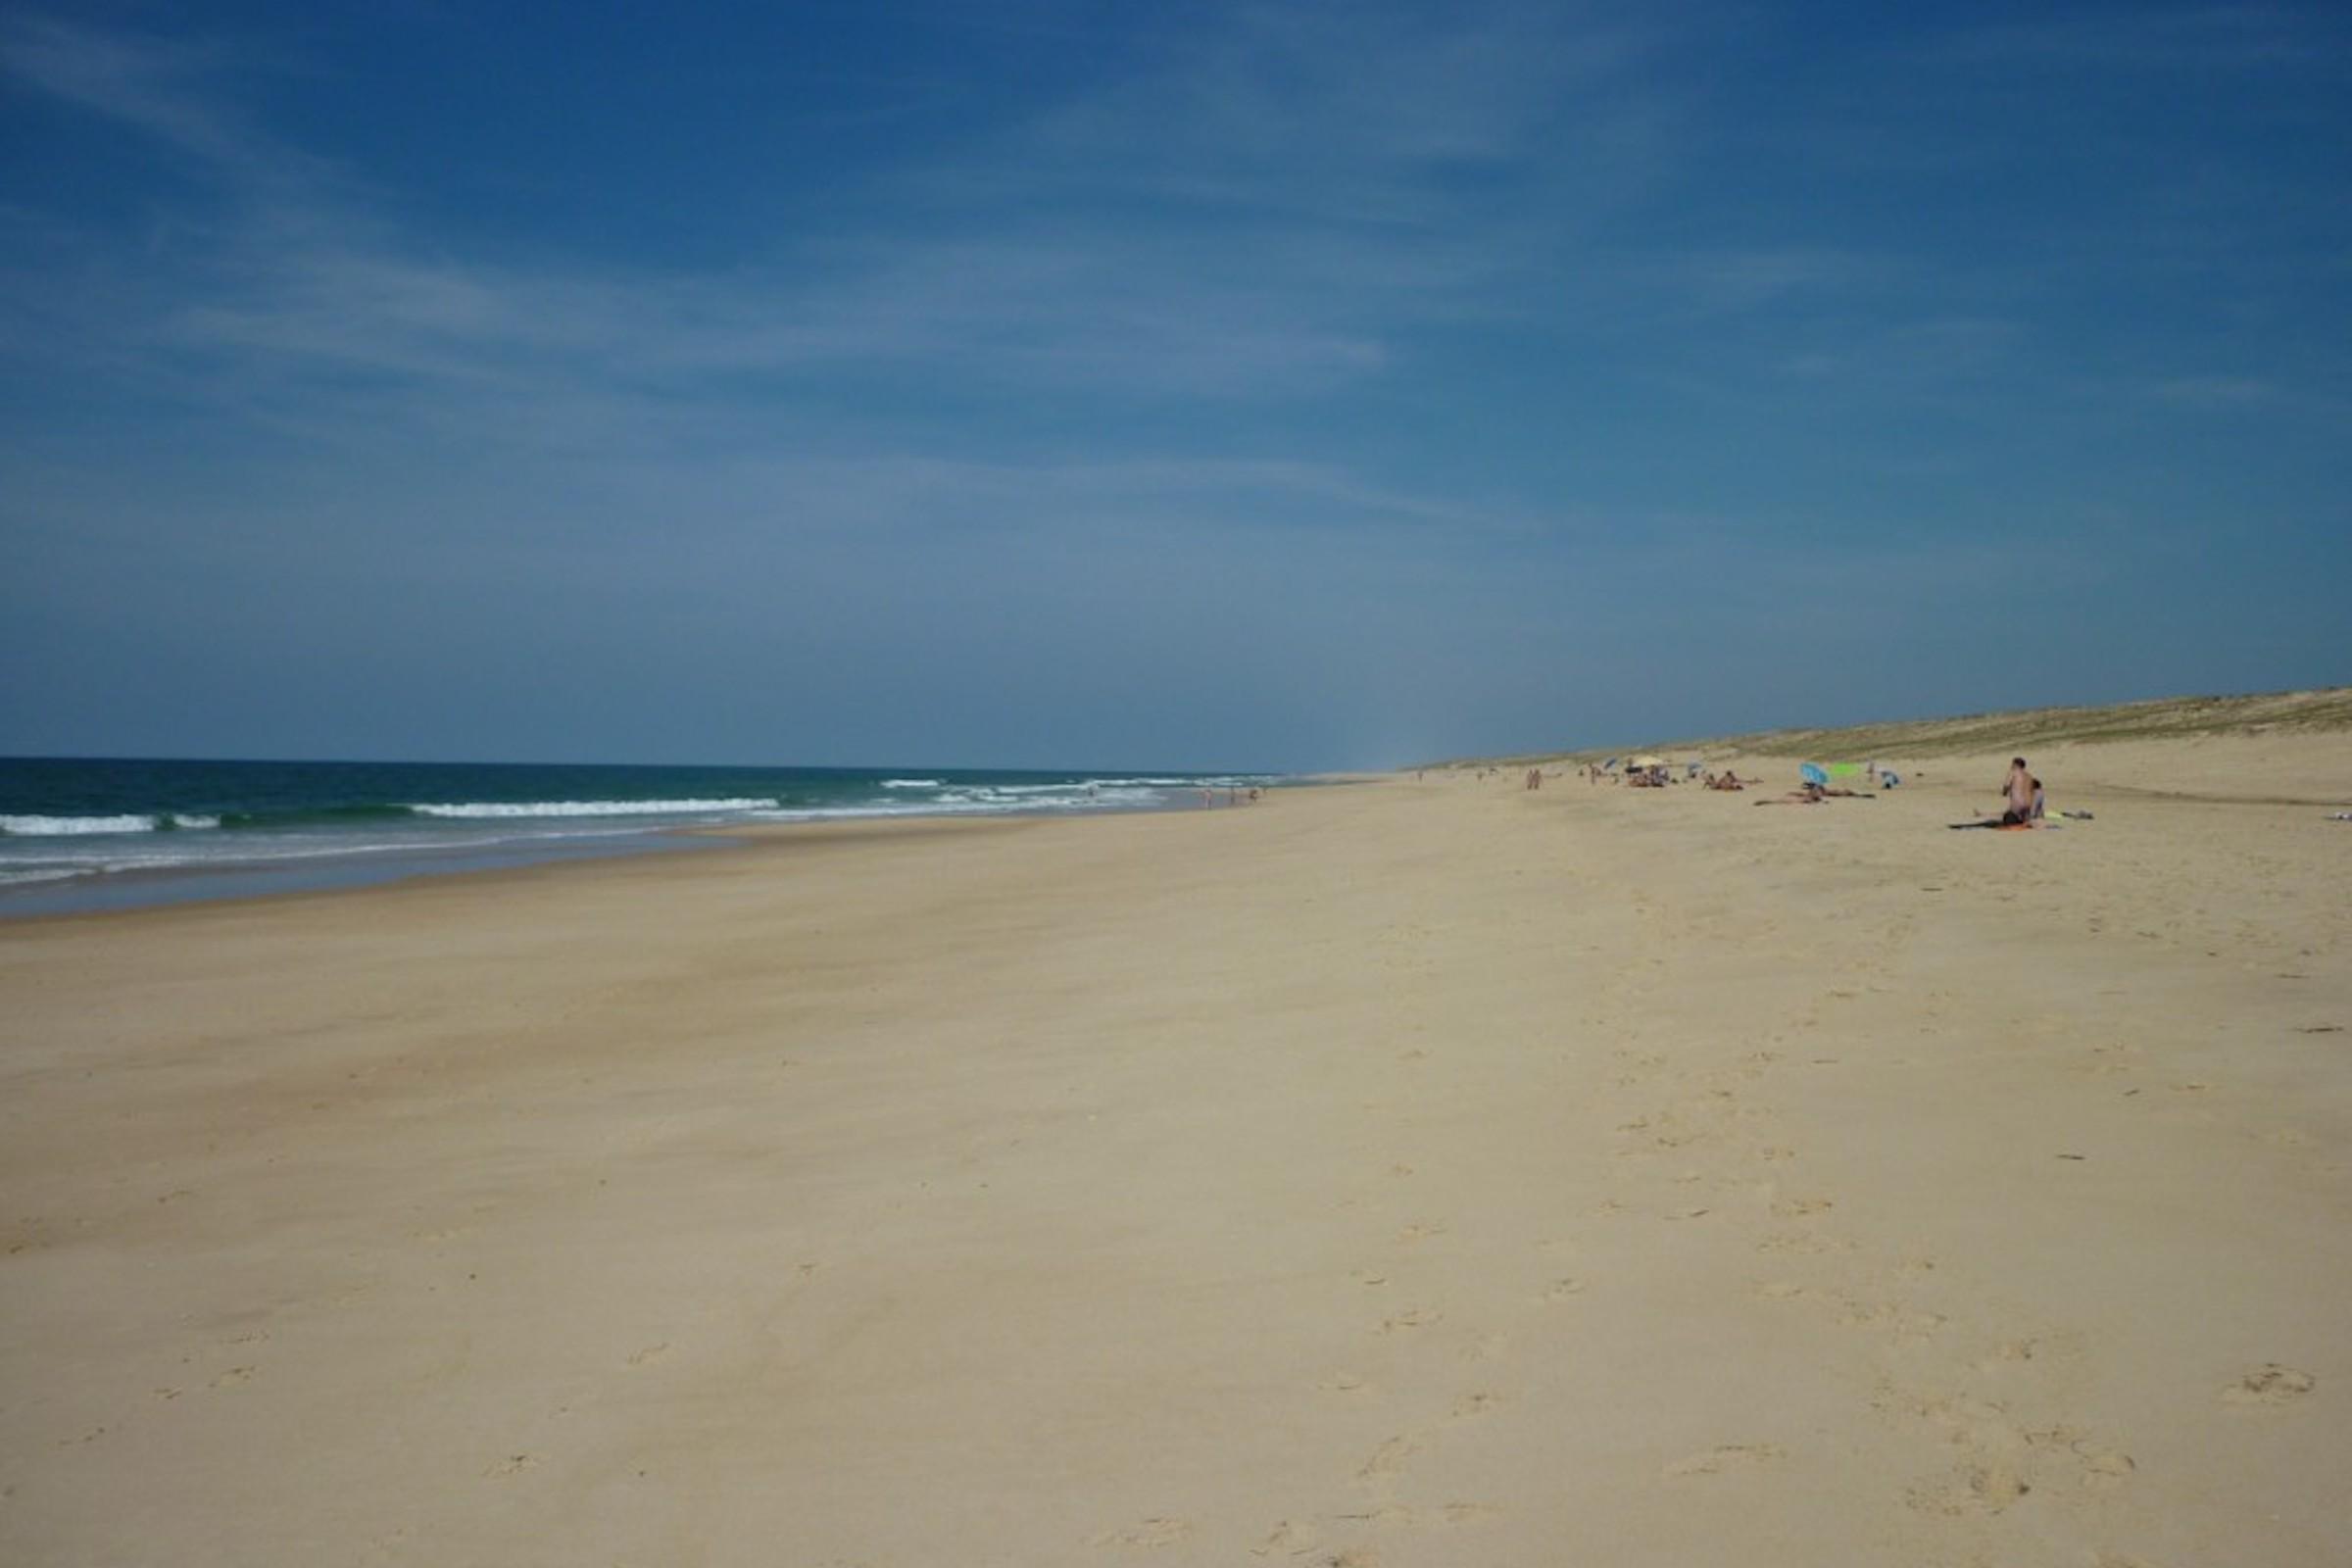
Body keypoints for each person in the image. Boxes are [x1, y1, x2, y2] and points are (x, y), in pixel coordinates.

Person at [2000, 757, 2034, 826]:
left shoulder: (2013, 772)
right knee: (2024, 821)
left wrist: (2004, 793)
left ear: (2015, 764)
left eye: (2012, 764)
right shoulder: (2029, 776)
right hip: (2028, 804)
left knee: (2009, 820)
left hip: (2017, 803)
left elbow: (2006, 785)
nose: (2011, 766)